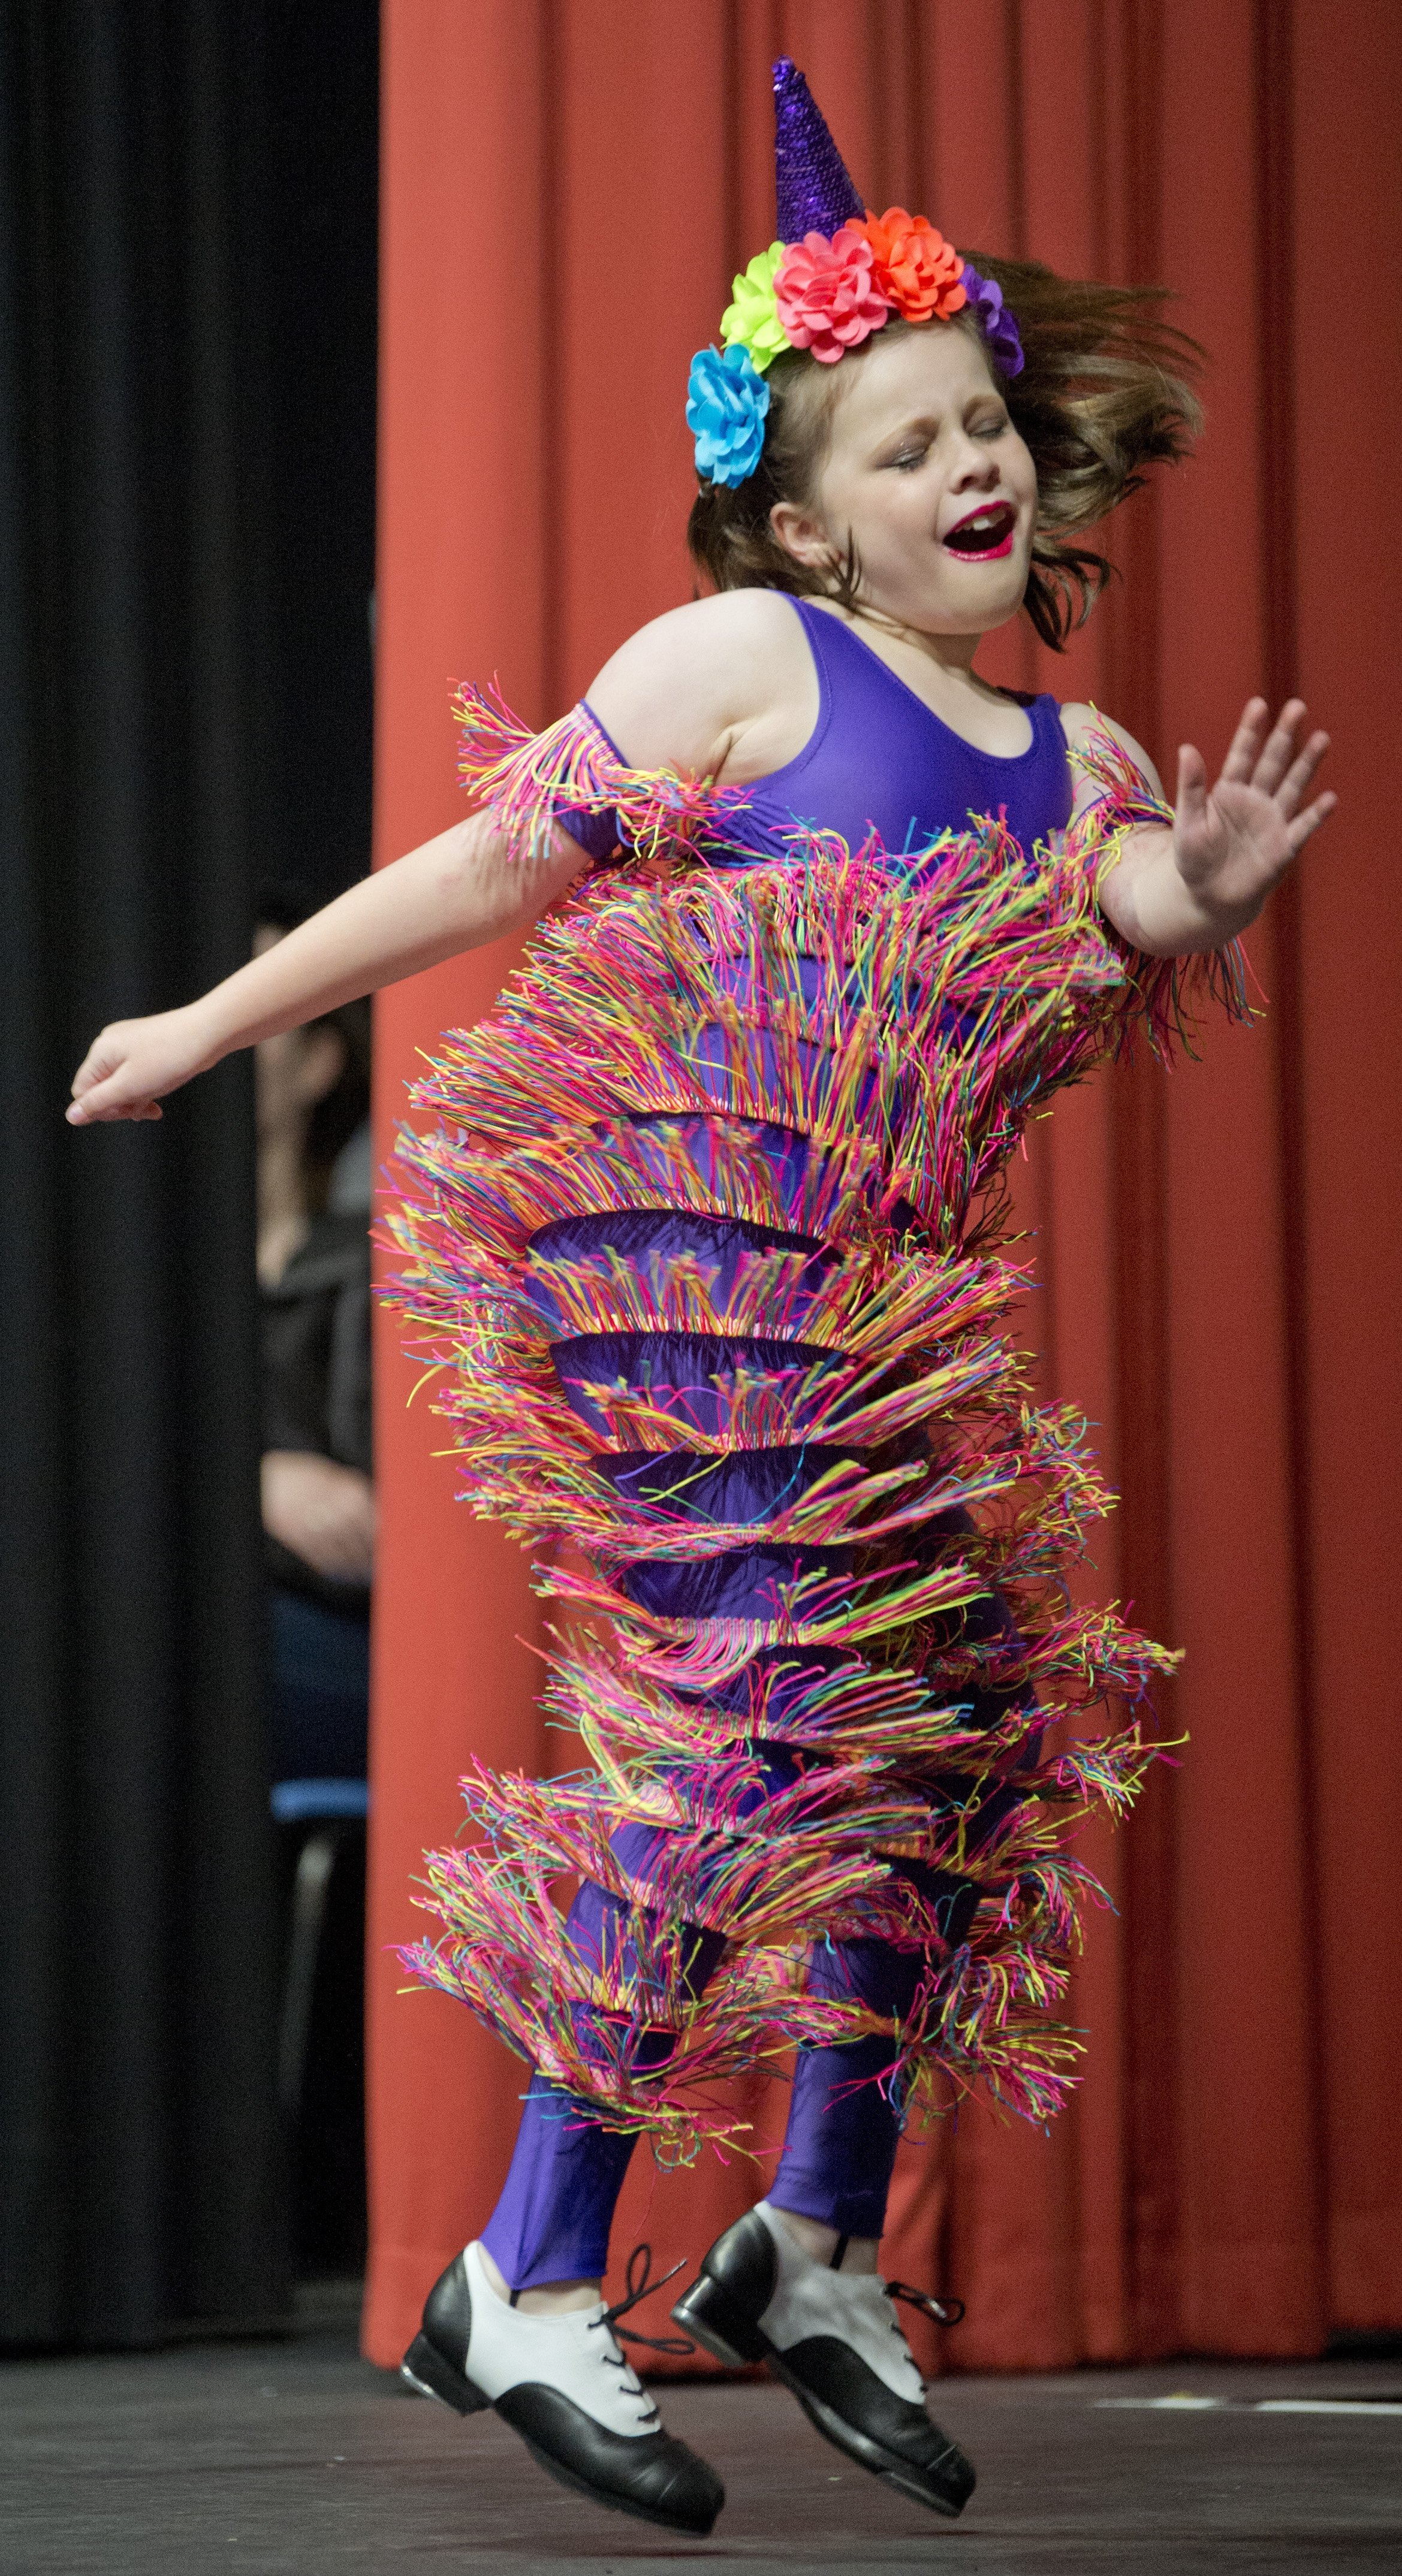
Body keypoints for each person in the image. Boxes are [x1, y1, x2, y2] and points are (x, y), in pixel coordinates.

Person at [69, 59, 1334, 2542]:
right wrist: (223, 1026)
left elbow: (1099, 949)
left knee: (966, 1727)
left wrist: (1201, 895)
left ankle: (809, 2240)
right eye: (905, 446)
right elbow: (480, 869)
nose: (971, 468)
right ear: (803, 517)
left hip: (872, 1325)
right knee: (754, 1737)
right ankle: (526, 2273)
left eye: (987, 425)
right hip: (685, 1290)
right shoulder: (736, 661)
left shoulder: (1068, 760)